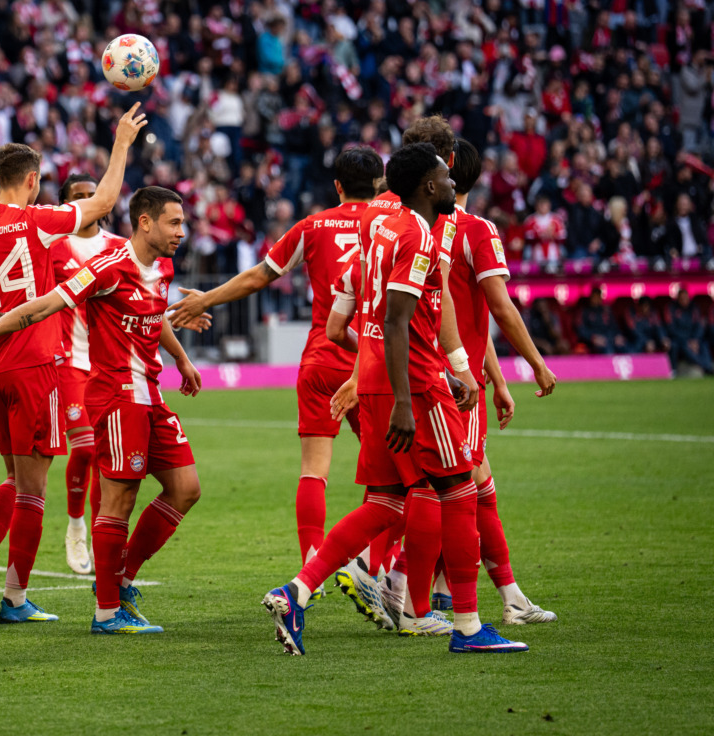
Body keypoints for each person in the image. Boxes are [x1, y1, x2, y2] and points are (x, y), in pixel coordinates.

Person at [261, 143, 528, 656]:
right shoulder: (418, 234)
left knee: (387, 499)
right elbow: (396, 318)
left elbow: (374, 310)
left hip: (378, 378)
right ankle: (469, 627)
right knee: (458, 489)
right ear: (429, 186)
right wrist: (416, 395)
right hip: (415, 384)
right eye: (447, 179)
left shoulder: (381, 227)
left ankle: (295, 592)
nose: (454, 186)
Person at [0, 187, 205, 636]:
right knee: (118, 498)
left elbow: (156, 309)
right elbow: (42, 305)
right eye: (174, 222)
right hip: (116, 396)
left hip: (151, 394)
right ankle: (107, 612)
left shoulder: (163, 266)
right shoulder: (107, 267)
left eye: (182, 222)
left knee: (185, 489)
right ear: (145, 222)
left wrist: (180, 356)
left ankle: (121, 580)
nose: (182, 231)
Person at [0, 104, 148, 624]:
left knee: (15, 477)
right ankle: (15, 600)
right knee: (34, 488)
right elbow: (104, 200)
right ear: (33, 182)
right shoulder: (39, 226)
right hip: (35, 362)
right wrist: (122, 141)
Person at [167, 147, 385, 591]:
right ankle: (372, 567)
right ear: (381, 184)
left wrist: (204, 299)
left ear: (337, 187)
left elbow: (259, 276)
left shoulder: (314, 225)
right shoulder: (392, 225)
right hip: (374, 362)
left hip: (323, 357)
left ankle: (312, 568)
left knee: (313, 470)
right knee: (389, 476)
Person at [380, 138, 557, 628]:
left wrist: (496, 376)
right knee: (464, 487)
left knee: (441, 485)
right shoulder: (470, 229)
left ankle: (435, 594)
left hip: (449, 372)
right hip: (449, 379)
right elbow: (494, 306)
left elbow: (458, 311)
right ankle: (428, 598)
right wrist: (536, 364)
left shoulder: (408, 226)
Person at [49, 173, 127, 574]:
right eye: (76, 197)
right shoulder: (54, 247)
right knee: (83, 449)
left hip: (110, 363)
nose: (84, 202)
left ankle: (99, 533)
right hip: (69, 360)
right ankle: (76, 524)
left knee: (106, 455)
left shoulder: (119, 247)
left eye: (90, 195)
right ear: (65, 205)